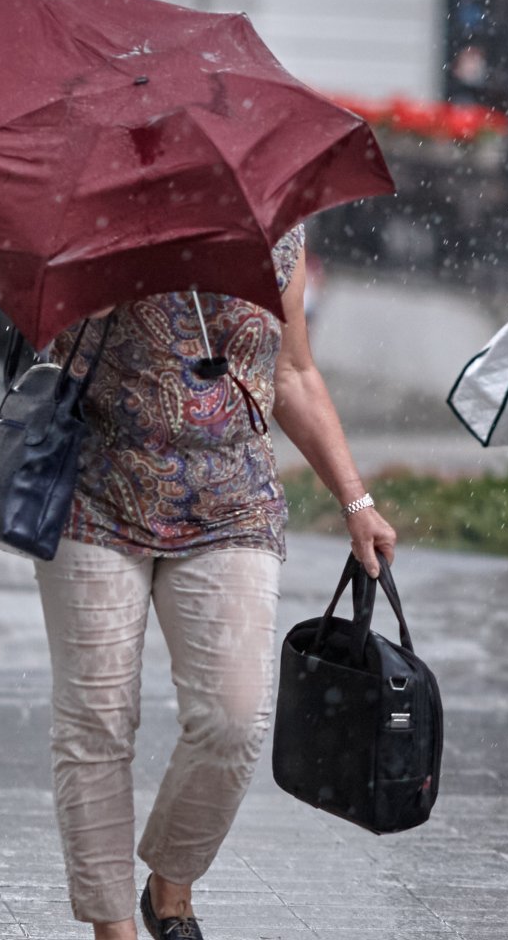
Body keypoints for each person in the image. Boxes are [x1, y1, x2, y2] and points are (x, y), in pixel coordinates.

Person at [34, 225, 396, 940]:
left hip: (233, 499)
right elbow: (51, 355)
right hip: (96, 494)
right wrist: (91, 299)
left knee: (234, 720)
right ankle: (114, 929)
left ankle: (170, 884)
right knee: (97, 722)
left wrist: (357, 501)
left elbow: (292, 373)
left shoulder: (280, 234)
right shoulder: (99, 221)